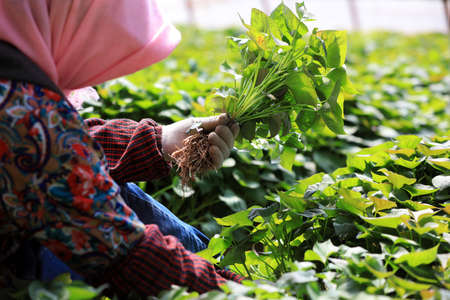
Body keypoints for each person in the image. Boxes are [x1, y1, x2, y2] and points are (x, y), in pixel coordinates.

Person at [0, 0, 243, 297]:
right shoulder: (19, 107)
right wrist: (246, 292)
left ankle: (213, 259)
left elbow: (55, 155)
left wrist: (160, 140)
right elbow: (123, 252)